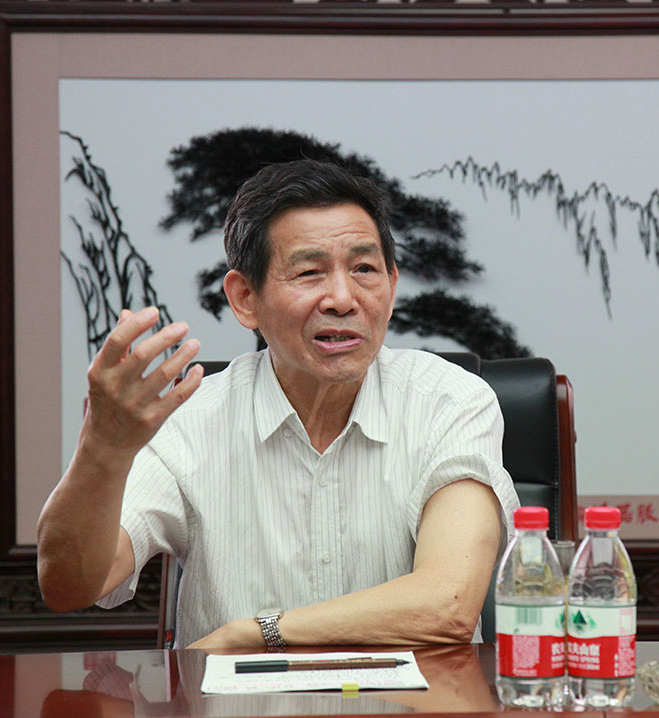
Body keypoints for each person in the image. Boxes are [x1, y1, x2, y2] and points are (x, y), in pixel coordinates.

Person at [37, 159, 520, 648]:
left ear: (391, 287)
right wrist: (102, 451)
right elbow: (70, 586)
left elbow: (448, 604)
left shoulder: (449, 401)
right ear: (245, 298)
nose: (342, 298)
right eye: (309, 272)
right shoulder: (189, 419)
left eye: (364, 269)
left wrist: (252, 634)